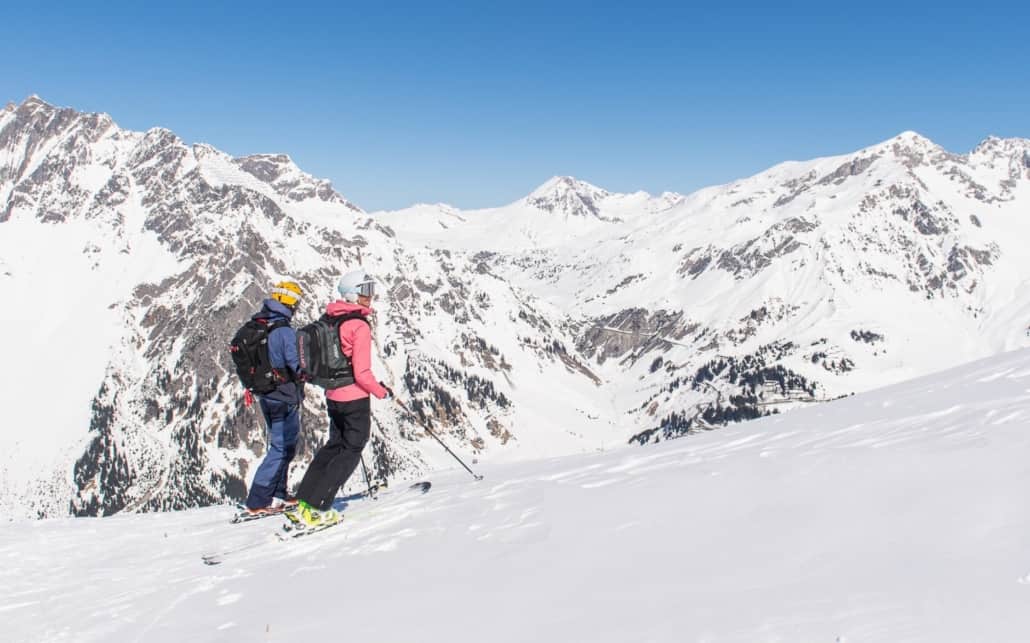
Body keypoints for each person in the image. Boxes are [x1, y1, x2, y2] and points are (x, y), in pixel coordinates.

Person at [290, 270, 393, 527]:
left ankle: (303, 501)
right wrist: (382, 392)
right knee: (351, 450)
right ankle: (317, 507)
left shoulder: (331, 318)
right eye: (364, 290)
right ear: (352, 294)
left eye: (370, 289)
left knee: (333, 446)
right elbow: (362, 373)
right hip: (354, 398)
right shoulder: (358, 325)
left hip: (333, 395)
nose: (370, 296)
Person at [244, 280, 306, 515]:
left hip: (266, 394)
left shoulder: (260, 323)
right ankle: (258, 501)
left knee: (285, 446)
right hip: (284, 396)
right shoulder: (283, 331)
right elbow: (296, 364)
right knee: (281, 448)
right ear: (290, 302)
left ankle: (278, 493)